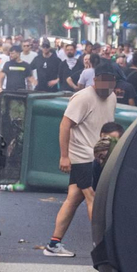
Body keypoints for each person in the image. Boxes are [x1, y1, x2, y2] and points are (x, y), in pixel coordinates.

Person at [43, 65, 119, 258]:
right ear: (95, 80)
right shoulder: (83, 97)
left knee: (73, 198)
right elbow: (65, 124)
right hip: (83, 155)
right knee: (93, 197)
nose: (107, 87)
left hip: (100, 155)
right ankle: (101, 246)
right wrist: (65, 156)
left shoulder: (112, 97)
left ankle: (53, 244)